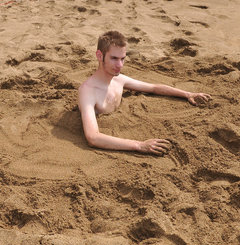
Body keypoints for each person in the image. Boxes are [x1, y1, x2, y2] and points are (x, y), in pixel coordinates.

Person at [78, 30, 211, 156]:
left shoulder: (119, 80)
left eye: (122, 59)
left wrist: (188, 94)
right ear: (99, 56)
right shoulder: (88, 91)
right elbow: (93, 137)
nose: (120, 65)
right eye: (114, 58)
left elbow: (153, 88)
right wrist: (139, 145)